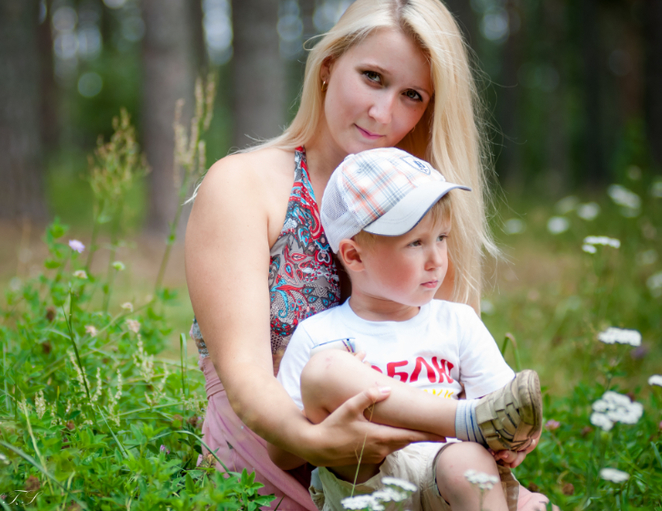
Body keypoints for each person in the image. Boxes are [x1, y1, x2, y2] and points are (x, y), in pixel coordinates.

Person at [185, 0, 549, 508]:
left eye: (412, 95)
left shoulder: (425, 204)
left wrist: (503, 446)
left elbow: (450, 363)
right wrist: (314, 441)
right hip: (268, 462)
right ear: (329, 64)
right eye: (373, 77)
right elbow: (246, 381)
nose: (383, 113)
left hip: (411, 467)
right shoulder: (245, 185)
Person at [270, 147, 548, 511]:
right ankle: (463, 420)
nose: (436, 260)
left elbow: (505, 409)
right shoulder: (318, 332)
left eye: (441, 238)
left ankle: (475, 437)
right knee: (325, 368)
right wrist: (330, 430)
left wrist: (519, 440)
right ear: (354, 255)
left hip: (447, 475)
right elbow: (282, 453)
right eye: (415, 243)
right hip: (368, 476)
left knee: (469, 463)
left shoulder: (457, 321)